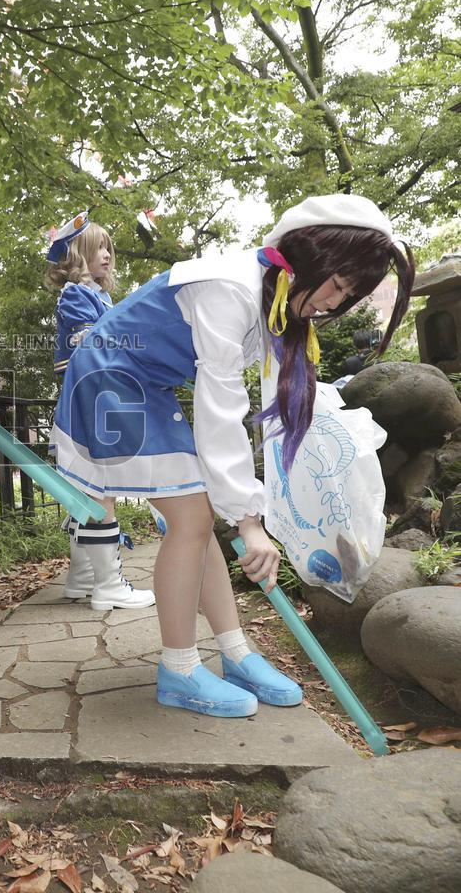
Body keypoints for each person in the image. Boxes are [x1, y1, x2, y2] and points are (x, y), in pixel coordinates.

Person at [51, 194, 414, 718]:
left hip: (145, 383)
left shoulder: (275, 299)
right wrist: (248, 522)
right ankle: (178, 667)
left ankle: (236, 653)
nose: (335, 303)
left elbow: (275, 407)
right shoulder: (231, 287)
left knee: (194, 518)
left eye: (349, 295)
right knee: (192, 517)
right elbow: (220, 406)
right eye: (336, 284)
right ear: (307, 255)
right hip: (110, 378)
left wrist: (272, 506)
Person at [45, 210, 155, 609]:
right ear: (78, 254)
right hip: (88, 399)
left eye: (109, 247)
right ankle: (108, 585)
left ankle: (82, 576)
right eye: (98, 248)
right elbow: (90, 345)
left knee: (88, 487)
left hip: (94, 398)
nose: (107, 254)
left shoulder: (100, 296)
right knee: (97, 489)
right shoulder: (78, 294)